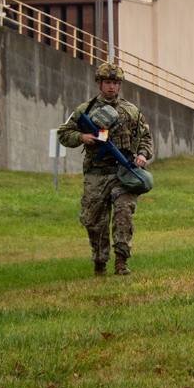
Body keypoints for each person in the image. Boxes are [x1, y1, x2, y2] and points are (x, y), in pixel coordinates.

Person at [57, 62, 153, 276]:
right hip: (96, 175)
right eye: (108, 82)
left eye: (116, 83)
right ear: (98, 83)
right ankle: (100, 263)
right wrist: (82, 137)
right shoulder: (85, 110)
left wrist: (142, 155)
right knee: (94, 221)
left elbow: (145, 137)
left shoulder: (130, 111)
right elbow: (63, 134)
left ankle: (121, 262)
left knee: (123, 213)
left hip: (123, 174)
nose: (112, 87)